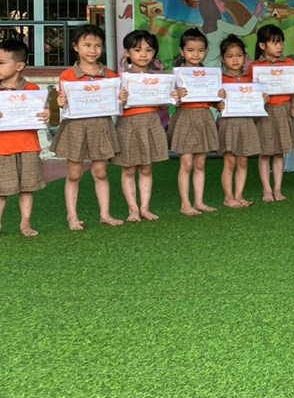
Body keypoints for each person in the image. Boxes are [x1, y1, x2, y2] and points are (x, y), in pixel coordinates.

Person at [53, 23, 128, 230]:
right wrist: (60, 102)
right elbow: (63, 104)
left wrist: (122, 97)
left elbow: (119, 102)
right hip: (75, 127)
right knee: (74, 173)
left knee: (101, 172)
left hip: (101, 126)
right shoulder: (67, 76)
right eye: (87, 45)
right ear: (75, 47)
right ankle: (72, 217)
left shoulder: (111, 76)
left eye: (97, 45)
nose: (93, 50)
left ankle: (105, 214)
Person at [116, 29, 170, 221]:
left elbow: (164, 105)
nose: (143, 54)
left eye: (148, 50)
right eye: (137, 50)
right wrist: (119, 99)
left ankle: (145, 208)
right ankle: (133, 209)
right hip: (128, 123)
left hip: (151, 122)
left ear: (154, 53)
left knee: (146, 168)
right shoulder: (119, 79)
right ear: (127, 52)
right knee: (129, 168)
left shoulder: (161, 78)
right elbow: (111, 105)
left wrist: (172, 96)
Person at [0, 38, 49, 237]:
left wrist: (46, 114)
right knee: (1, 190)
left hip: (28, 146)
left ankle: (25, 223)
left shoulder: (33, 90)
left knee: (27, 188)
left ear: (19, 66)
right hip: (2, 147)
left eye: (1, 63)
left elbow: (42, 114)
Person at [169, 28, 219, 216]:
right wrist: (175, 95)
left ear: (205, 51)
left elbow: (214, 101)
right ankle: (185, 204)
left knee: (200, 164)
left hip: (204, 117)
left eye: (200, 50)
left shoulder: (210, 74)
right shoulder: (176, 75)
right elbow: (169, 100)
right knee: (187, 164)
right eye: (190, 50)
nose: (195, 54)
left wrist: (219, 97)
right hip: (185, 117)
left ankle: (199, 201)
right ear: (182, 51)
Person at [252, 23, 294, 202]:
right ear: (262, 45)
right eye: (275, 42)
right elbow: (249, 91)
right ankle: (267, 189)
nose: (279, 46)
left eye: (281, 42)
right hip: (264, 111)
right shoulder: (255, 67)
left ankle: (277, 189)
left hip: (284, 109)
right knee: (265, 152)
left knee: (279, 151)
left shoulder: (290, 64)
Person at [217, 34, 262, 208]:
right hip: (228, 123)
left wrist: (262, 97)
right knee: (230, 161)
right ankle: (228, 197)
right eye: (230, 56)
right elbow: (214, 102)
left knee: (243, 160)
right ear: (223, 58)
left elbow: (257, 98)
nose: (235, 60)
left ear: (245, 56)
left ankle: (239, 195)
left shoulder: (251, 78)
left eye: (239, 55)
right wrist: (218, 101)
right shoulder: (219, 79)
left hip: (247, 122)